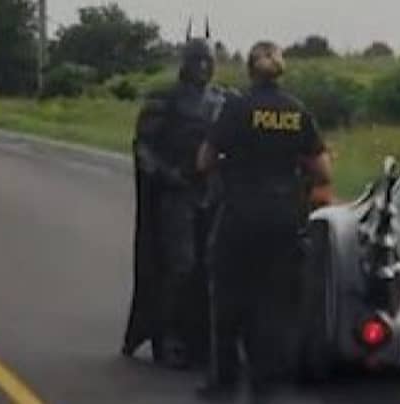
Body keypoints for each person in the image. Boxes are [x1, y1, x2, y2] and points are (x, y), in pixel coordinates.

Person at [195, 41, 334, 401]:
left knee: (227, 297)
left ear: (249, 70)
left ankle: (224, 379)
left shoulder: (236, 107)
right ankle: (267, 381)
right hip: (284, 219)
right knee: (274, 301)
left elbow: (204, 161)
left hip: (239, 217)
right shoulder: (297, 112)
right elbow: (322, 170)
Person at [121, 20, 234, 369]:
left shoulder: (225, 100)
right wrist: (167, 175)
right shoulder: (164, 99)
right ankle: (166, 336)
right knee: (179, 265)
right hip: (175, 193)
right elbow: (144, 147)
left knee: (210, 267)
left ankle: (201, 338)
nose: (203, 67)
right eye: (197, 60)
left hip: (212, 194)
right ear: (185, 62)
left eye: (208, 60)